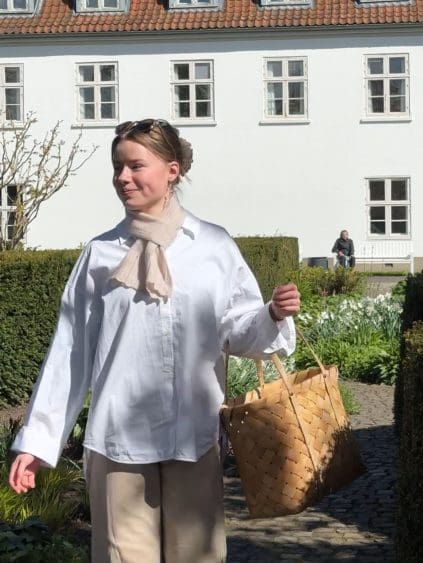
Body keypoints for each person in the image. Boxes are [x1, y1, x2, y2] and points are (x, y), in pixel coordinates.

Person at [8, 118, 300, 563]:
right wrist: (38, 441)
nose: (123, 178)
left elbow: (238, 332)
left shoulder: (213, 246)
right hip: (119, 443)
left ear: (172, 170)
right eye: (117, 167)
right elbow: (70, 353)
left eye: (135, 166)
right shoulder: (100, 255)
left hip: (193, 436)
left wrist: (271, 315)